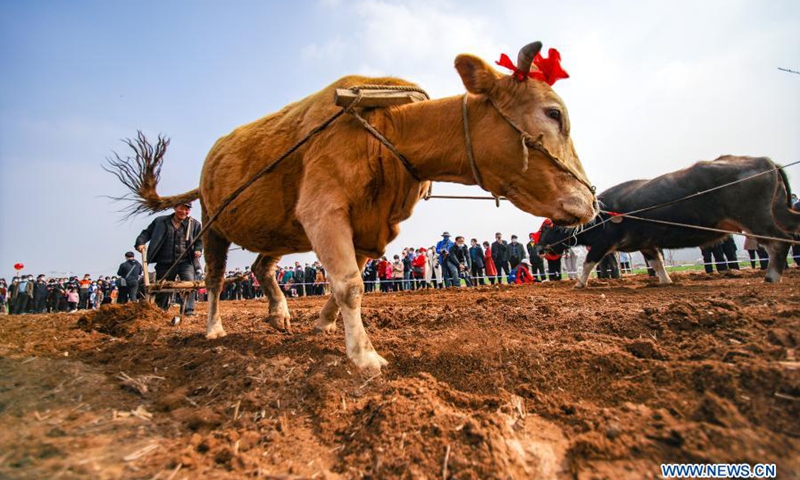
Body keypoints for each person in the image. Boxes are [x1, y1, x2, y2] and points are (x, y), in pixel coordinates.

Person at [135, 202, 203, 315]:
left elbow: (199, 241)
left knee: (189, 284)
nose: (184, 212)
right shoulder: (160, 222)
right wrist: (140, 243)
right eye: (182, 208)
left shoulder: (194, 224)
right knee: (163, 286)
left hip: (186, 261)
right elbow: (146, 233)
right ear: (175, 207)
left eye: (187, 210)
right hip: (164, 261)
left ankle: (188, 311)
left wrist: (198, 250)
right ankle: (161, 309)